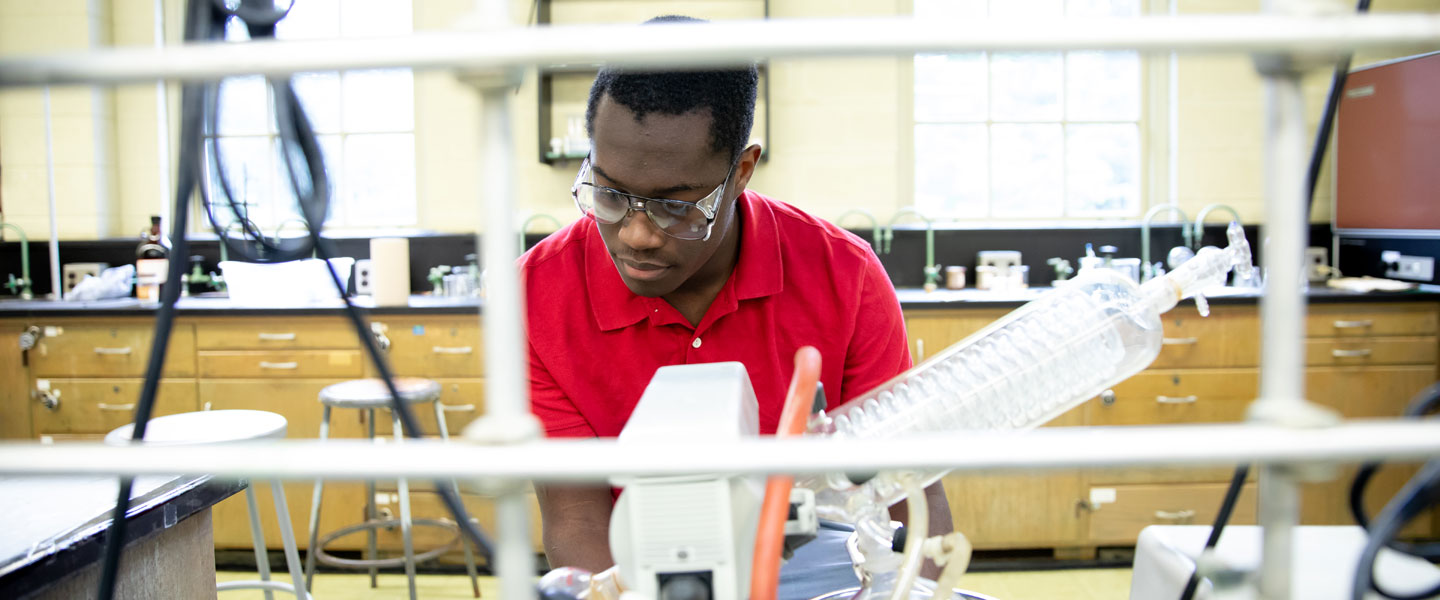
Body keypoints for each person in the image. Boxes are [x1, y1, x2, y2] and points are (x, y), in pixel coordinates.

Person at [520, 15, 952, 585]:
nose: (637, 234)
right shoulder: (537, 296)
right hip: (639, 557)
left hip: (813, 545)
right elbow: (576, 513)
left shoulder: (844, 277)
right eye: (609, 194)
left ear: (741, 171)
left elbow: (910, 496)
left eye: (676, 206)